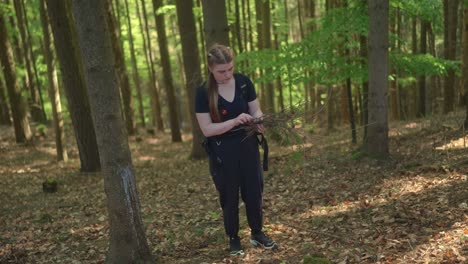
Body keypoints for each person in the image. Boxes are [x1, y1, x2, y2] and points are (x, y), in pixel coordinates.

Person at [195, 43, 277, 256]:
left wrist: (259, 121)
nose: (227, 74)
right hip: (222, 151)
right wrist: (234, 121)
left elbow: (255, 109)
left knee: (254, 190)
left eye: (230, 69)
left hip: (248, 145)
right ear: (211, 68)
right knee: (229, 194)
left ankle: (257, 233)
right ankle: (233, 237)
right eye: (222, 71)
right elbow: (207, 129)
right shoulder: (203, 92)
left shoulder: (243, 82)